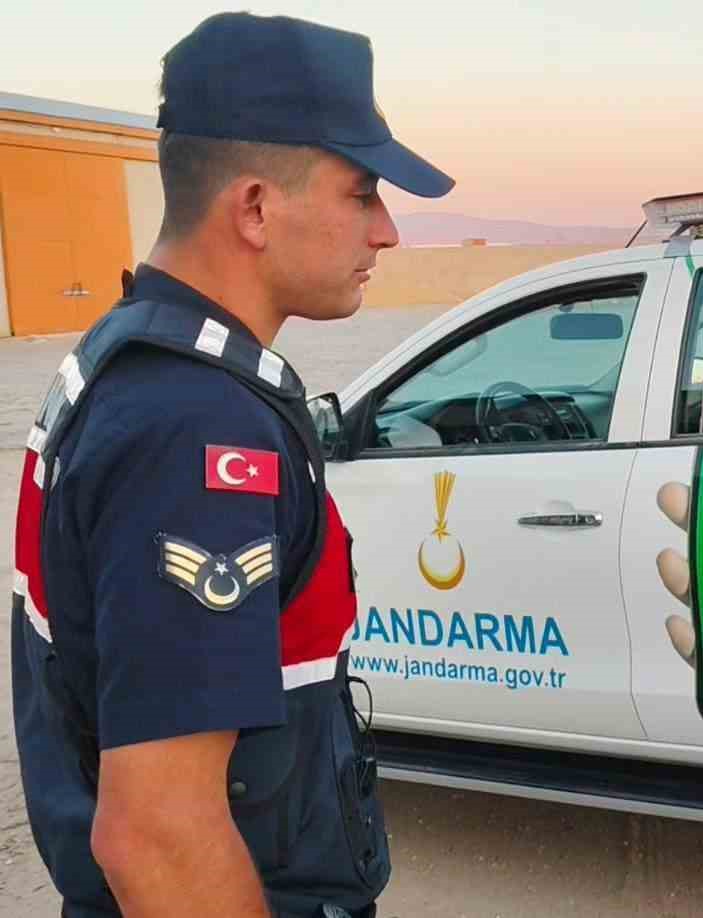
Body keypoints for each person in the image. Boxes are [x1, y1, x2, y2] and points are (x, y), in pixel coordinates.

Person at [10, 13, 453, 916]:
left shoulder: (133, 351)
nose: (388, 233)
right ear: (254, 207)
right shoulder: (196, 428)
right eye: (362, 194)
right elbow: (159, 839)